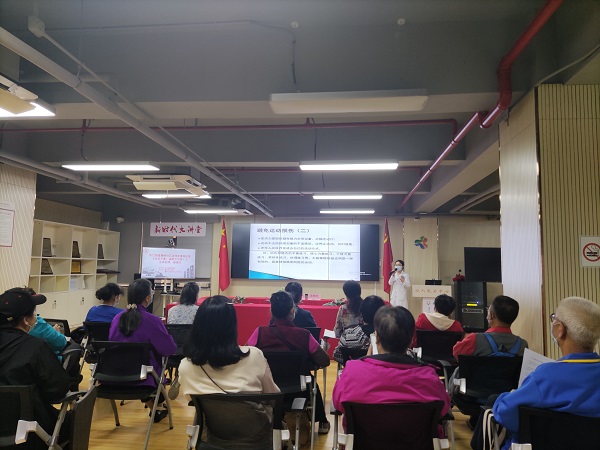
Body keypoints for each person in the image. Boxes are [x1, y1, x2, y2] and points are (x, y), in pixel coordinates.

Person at [485, 297, 600, 450]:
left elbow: (506, 414)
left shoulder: (546, 376)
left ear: (560, 329)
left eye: (554, 318)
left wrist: (505, 398)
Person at [332, 306, 450, 428]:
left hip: (364, 439)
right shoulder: (429, 377)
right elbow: (443, 409)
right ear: (411, 340)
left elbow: (338, 403)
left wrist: (363, 363)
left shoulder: (352, 371)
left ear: (376, 338)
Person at [248, 291, 331, 434]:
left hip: (267, 390)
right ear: (292, 311)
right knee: (312, 382)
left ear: (271, 311)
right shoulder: (304, 335)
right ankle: (322, 421)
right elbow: (324, 361)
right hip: (298, 390)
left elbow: (247, 356)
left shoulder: (260, 332)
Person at [0, 288, 72, 441]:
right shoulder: (35, 347)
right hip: (30, 432)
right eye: (34, 314)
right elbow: (58, 390)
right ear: (26, 320)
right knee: (72, 422)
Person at [451, 295, 528, 429]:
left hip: (470, 397)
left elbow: (456, 353)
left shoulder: (474, 339)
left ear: (491, 315)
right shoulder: (522, 345)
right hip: (506, 397)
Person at [109, 278, 177, 422]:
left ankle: (157, 408)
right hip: (143, 378)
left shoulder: (117, 319)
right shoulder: (152, 320)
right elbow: (169, 349)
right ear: (147, 297)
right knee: (157, 364)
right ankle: (158, 406)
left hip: (113, 375)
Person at [333, 295, 385, 364]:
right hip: (383, 370)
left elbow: (337, 355)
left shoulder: (348, 335)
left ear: (361, 313)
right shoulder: (389, 336)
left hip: (355, 370)